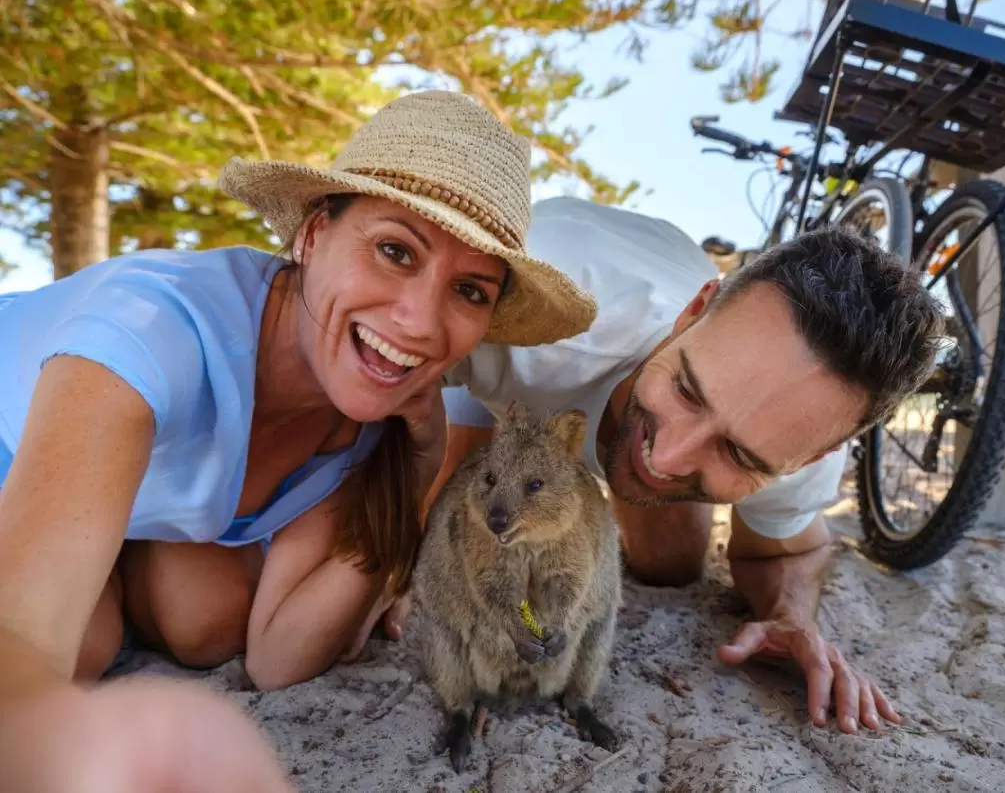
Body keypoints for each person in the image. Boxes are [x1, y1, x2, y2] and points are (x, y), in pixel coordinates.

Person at [0, 91, 596, 790]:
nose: (419, 321)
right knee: (78, 647)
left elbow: (278, 657)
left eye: (469, 291)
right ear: (312, 236)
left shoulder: (367, 411)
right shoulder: (152, 331)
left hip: (110, 516)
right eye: (395, 251)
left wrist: (417, 469)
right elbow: (23, 638)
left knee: (210, 618)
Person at [427, 196, 944, 736]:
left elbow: (794, 550)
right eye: (688, 389)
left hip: (655, 302)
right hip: (527, 336)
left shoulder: (801, 432)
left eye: (740, 453)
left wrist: (793, 616)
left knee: (671, 566)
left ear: (813, 458)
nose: (668, 458)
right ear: (692, 313)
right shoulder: (529, 320)